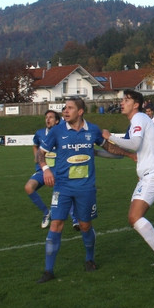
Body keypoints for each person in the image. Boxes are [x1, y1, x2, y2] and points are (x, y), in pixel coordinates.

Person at [35, 97, 120, 283]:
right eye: (64, 108)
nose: (65, 111)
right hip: (62, 187)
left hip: (86, 189)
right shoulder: (57, 131)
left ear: (80, 111)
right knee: (56, 225)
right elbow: (40, 154)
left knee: (85, 226)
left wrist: (131, 153)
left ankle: (90, 259)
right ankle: (49, 271)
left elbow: (110, 149)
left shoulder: (93, 130)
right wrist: (46, 169)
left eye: (70, 108)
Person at [102, 89, 154, 277]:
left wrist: (110, 136)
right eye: (122, 100)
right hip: (147, 176)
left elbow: (132, 145)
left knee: (134, 218)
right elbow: (127, 149)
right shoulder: (138, 121)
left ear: (136, 105)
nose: (122, 103)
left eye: (126, 100)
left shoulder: (139, 118)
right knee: (134, 218)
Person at [26, 110, 60, 229]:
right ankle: (46, 212)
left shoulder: (62, 133)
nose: (48, 119)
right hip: (42, 170)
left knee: (59, 194)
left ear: (57, 121)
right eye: (46, 117)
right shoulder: (40, 133)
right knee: (29, 188)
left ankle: (75, 219)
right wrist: (36, 157)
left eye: (51, 117)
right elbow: (35, 145)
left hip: (58, 170)